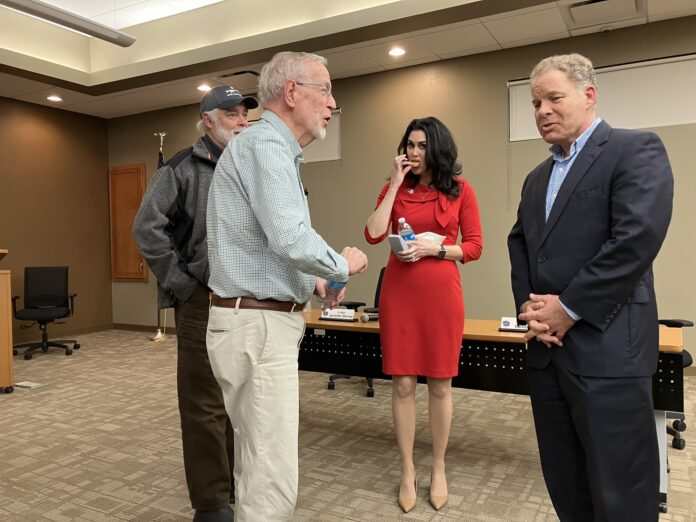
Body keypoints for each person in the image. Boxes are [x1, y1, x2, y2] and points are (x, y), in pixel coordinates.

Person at [507, 53, 674, 521]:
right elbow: (521, 244)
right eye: (536, 102)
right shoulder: (536, 177)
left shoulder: (634, 149)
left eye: (554, 97)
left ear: (588, 95)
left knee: (621, 490)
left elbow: (636, 240)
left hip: (608, 353)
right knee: (566, 481)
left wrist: (569, 308)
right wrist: (533, 311)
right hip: (548, 354)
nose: (542, 110)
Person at [205, 51, 368, 522]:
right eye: (326, 90)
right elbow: (289, 236)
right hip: (256, 327)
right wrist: (340, 265)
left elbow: (264, 244)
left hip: (253, 319)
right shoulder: (267, 146)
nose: (332, 104)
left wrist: (314, 282)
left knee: (258, 463)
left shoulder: (266, 148)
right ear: (293, 92)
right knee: (271, 476)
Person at [133, 85, 258, 522]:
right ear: (207, 119)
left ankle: (233, 483)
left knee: (236, 401)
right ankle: (211, 504)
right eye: (231, 114)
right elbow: (147, 228)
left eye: (244, 114)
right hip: (202, 299)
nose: (241, 121)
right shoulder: (183, 168)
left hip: (246, 300)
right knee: (204, 405)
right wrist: (182, 285)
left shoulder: (250, 165)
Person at [364, 117, 483, 513]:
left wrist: (436, 250)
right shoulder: (393, 189)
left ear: (437, 149)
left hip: (442, 296)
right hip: (400, 295)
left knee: (440, 385)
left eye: (421, 146)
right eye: (409, 145)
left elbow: (475, 246)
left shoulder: (461, 191)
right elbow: (374, 233)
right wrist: (395, 184)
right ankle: (407, 469)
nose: (413, 153)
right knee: (401, 384)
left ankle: (439, 466)